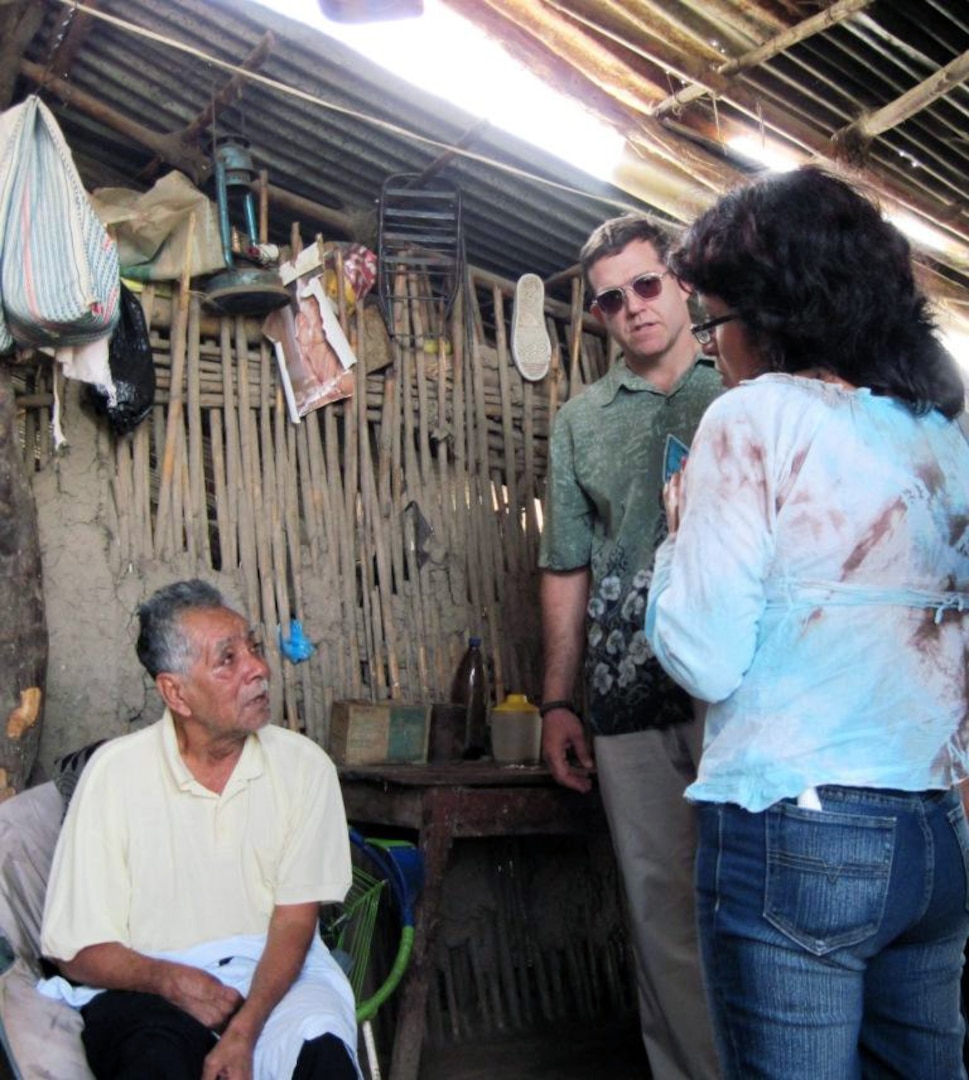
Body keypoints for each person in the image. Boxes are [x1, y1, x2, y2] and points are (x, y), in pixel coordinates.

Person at [645, 166, 969, 1079]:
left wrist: (675, 541)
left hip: (797, 833)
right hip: (933, 840)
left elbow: (703, 658)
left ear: (772, 312)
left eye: (711, 321)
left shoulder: (751, 418)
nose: (710, 348)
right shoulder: (939, 436)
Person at [40, 579, 359, 1080]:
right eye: (227, 660)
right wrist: (168, 980)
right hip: (149, 985)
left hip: (274, 977)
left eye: (252, 648)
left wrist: (245, 1030)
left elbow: (295, 924)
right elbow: (76, 953)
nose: (258, 668)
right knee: (153, 1060)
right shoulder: (114, 774)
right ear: (176, 692)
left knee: (322, 1056)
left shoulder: (303, 767)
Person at [539, 212, 722, 1079]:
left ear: (682, 283)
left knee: (768, 906)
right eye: (612, 300)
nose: (634, 308)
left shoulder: (745, 390)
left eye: (647, 285)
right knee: (661, 915)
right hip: (625, 700)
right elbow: (565, 566)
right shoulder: (579, 422)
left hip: (739, 694)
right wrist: (557, 700)